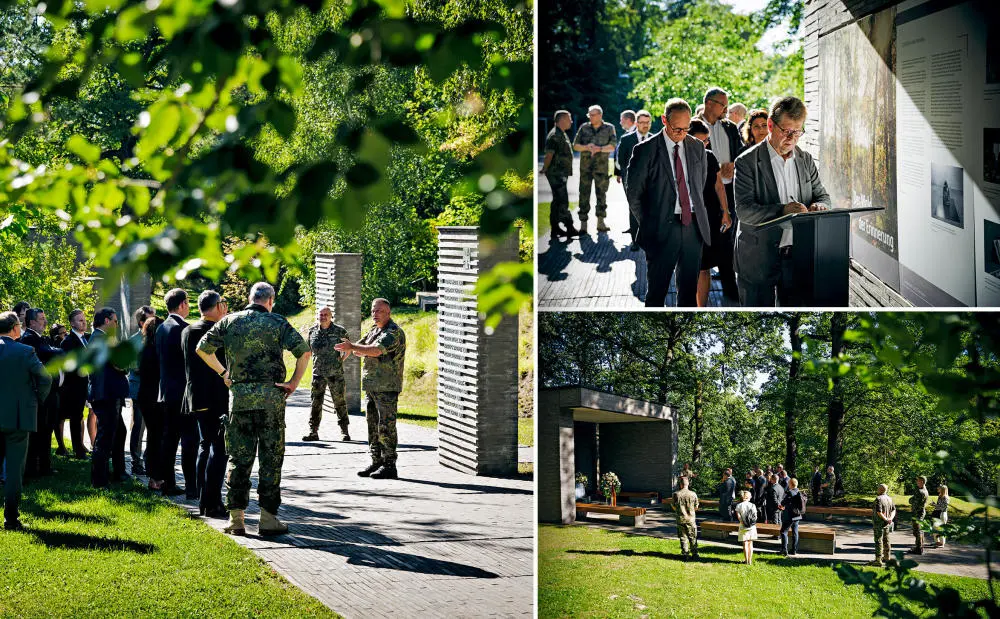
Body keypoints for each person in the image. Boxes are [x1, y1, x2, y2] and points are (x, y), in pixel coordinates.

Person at [196, 282, 311, 536]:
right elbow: (304, 352)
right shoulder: (278, 322)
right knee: (271, 459)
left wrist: (224, 373)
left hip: (240, 401)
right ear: (270, 301)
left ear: (250, 298)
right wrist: (293, 383)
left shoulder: (230, 321)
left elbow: (202, 348)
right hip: (272, 401)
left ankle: (236, 519)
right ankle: (268, 518)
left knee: (239, 459)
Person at [733, 96, 832, 307]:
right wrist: (783, 210)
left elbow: (822, 196)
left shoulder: (805, 159)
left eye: (797, 132)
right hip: (757, 258)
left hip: (797, 257)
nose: (792, 138)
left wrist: (821, 206)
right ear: (770, 124)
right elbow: (744, 211)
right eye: (786, 131)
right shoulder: (746, 162)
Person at [625, 98, 711, 307]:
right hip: (661, 228)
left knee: (689, 295)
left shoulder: (697, 147)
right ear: (664, 120)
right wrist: (650, 222)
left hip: (693, 228)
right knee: (656, 293)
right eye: (676, 128)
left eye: (686, 128)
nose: (681, 133)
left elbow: (700, 185)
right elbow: (634, 193)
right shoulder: (645, 150)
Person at [335, 298, 407, 480]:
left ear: (388, 313)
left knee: (386, 427)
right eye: (373, 311)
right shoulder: (374, 330)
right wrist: (348, 349)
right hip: (372, 387)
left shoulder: (393, 332)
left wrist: (353, 347)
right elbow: (360, 347)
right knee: (372, 426)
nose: (375, 314)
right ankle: (376, 461)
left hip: (387, 388)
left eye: (379, 311)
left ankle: (390, 465)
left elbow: (374, 350)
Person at [0, 311, 52, 530]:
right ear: (14, 328)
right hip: (18, 418)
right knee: (14, 471)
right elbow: (45, 378)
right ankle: (11, 518)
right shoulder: (25, 351)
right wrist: (36, 399)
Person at [181, 291, 230, 518]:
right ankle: (212, 503)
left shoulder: (187, 330)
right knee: (219, 449)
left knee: (205, 445)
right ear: (218, 306)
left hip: (195, 396)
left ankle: (202, 498)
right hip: (215, 397)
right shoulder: (217, 332)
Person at [696, 87, 742, 301]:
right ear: (709, 103)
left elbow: (742, 153)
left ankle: (730, 290)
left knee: (727, 239)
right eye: (723, 104)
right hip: (705, 196)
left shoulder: (731, 128)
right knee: (704, 242)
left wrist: (734, 164)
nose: (726, 109)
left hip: (729, 191)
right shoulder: (692, 127)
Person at [156, 288, 199, 498]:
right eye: (187, 303)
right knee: (190, 439)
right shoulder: (183, 329)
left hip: (165, 392)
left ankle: (168, 483)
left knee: (169, 440)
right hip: (183, 394)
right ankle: (192, 486)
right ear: (182, 304)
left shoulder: (160, 328)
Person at [688, 118, 733, 306]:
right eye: (700, 140)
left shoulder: (709, 156)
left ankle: (701, 308)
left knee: (704, 266)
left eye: (706, 141)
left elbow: (719, 186)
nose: (704, 144)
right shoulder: (676, 157)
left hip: (708, 217)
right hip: (684, 218)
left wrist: (726, 212)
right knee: (685, 267)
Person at [88, 307, 130, 488]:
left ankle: (118, 472)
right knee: (105, 437)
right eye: (115, 320)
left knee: (119, 432)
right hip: (107, 394)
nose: (116, 324)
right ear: (106, 321)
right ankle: (100, 480)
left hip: (107, 393)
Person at [19, 308, 62, 478]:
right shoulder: (29, 339)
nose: (45, 321)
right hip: (40, 394)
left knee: (47, 430)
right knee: (39, 432)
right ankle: (35, 468)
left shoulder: (40, 338)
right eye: (41, 319)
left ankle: (44, 466)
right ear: (31, 322)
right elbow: (48, 352)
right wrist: (60, 352)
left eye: (45, 318)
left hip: (49, 393)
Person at [304, 306, 351, 442]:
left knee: (339, 403)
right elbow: (308, 351)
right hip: (318, 374)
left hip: (335, 374)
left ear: (331, 316)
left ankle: (344, 432)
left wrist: (341, 360)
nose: (323, 317)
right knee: (315, 403)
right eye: (321, 314)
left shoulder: (340, 331)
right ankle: (313, 432)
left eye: (326, 314)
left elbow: (349, 348)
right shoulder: (312, 331)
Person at [573, 105, 617, 234]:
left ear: (600, 115)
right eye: (589, 115)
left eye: (593, 115)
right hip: (585, 169)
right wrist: (587, 147)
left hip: (601, 169)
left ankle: (600, 222)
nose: (591, 117)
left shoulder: (609, 128)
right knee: (584, 195)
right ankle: (583, 224)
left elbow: (613, 146)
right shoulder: (584, 128)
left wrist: (600, 149)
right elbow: (575, 146)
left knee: (601, 195)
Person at [616, 109, 653, 251]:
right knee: (634, 209)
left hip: (650, 182)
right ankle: (635, 241)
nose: (644, 125)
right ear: (636, 123)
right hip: (631, 182)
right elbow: (621, 160)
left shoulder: (654, 138)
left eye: (647, 123)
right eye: (642, 122)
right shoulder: (626, 139)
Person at [541, 110, 579, 238]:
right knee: (563, 200)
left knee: (557, 201)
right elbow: (549, 155)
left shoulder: (561, 133)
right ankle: (569, 227)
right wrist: (544, 168)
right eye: (569, 119)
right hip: (557, 173)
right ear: (562, 120)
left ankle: (555, 228)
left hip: (560, 173)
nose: (571, 121)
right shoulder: (555, 135)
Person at [58, 309, 90, 459]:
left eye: (84, 319)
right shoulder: (68, 341)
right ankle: (78, 450)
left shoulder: (86, 339)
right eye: (79, 320)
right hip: (73, 387)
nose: (83, 322)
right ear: (71, 323)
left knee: (79, 417)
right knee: (75, 418)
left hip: (85, 385)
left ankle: (80, 447)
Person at [127, 306, 155, 476]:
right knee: (139, 427)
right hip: (139, 389)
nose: (155, 322)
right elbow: (132, 366)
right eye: (151, 319)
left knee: (153, 428)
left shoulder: (156, 338)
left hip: (155, 390)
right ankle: (136, 462)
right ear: (141, 322)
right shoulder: (134, 341)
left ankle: (149, 460)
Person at [138, 316, 165, 490]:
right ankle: (155, 477)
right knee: (157, 437)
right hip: (155, 397)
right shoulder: (157, 350)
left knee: (153, 436)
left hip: (144, 396)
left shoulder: (143, 348)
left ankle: (152, 475)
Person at [869, 483, 897, 567]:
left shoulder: (878, 499)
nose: (877, 490)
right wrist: (890, 519)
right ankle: (887, 558)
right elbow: (894, 510)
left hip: (879, 523)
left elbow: (878, 512)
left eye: (878, 488)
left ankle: (878, 560)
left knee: (878, 541)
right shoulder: (889, 499)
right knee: (886, 540)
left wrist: (885, 519)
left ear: (880, 490)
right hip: (886, 524)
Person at [672, 475, 699, 559]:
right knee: (693, 536)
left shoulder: (676, 494)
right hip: (691, 519)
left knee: (683, 537)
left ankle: (685, 554)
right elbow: (696, 507)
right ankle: (695, 553)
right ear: (688, 484)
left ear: (680, 485)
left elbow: (673, 506)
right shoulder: (693, 494)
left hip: (681, 518)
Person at [779, 478, 806, 556]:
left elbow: (783, 502)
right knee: (795, 532)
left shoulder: (790, 492)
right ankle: (794, 550)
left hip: (789, 516)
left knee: (783, 532)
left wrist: (782, 505)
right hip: (797, 515)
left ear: (790, 484)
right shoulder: (799, 492)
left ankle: (784, 550)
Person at [734, 490, 758, 565]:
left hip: (743, 525)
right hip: (752, 526)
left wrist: (743, 522)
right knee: (750, 543)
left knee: (745, 543)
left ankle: (746, 560)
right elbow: (755, 517)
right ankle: (750, 561)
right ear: (749, 497)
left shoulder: (739, 505)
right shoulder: (753, 505)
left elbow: (738, 516)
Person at [909, 475, 929, 554]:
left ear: (922, 482)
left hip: (917, 513)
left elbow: (911, 501)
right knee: (919, 530)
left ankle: (919, 549)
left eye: (918, 480)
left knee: (917, 531)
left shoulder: (920, 491)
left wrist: (911, 499)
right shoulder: (925, 490)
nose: (916, 482)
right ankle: (919, 547)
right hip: (920, 512)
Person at [932, 484, 949, 548]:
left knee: (940, 529)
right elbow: (939, 506)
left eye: (939, 488)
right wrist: (935, 505)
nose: (937, 488)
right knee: (935, 528)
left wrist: (935, 505)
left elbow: (943, 508)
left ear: (942, 490)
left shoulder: (946, 498)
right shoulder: (940, 496)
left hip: (942, 514)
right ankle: (937, 542)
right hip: (938, 513)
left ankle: (942, 543)